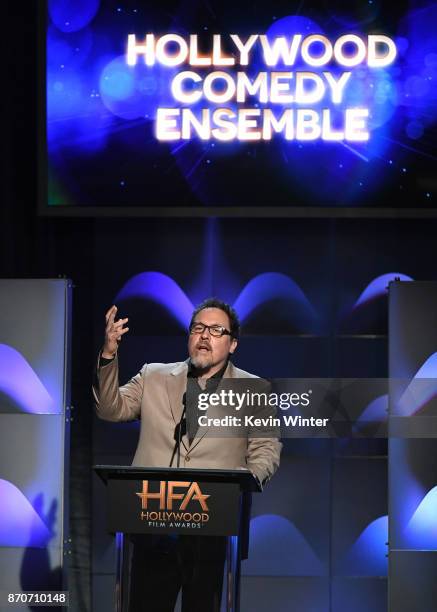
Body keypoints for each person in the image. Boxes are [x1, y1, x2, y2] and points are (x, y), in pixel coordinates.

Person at [93, 297, 281, 611]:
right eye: (198, 328)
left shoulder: (254, 389)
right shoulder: (154, 376)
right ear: (189, 336)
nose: (205, 335)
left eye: (216, 330)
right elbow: (110, 409)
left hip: (212, 528)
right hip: (153, 524)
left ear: (233, 344)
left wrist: (244, 482)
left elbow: (266, 448)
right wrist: (109, 354)